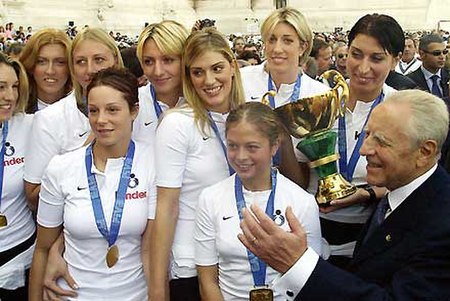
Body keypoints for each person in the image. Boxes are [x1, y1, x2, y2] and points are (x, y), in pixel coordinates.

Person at [239, 89, 450, 300]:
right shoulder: (401, 191)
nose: (364, 150)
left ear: (425, 152)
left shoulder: (442, 224)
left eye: (382, 142)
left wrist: (297, 263)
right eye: (367, 135)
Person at [29, 68, 156, 301]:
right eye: (94, 111)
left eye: (113, 110)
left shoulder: (153, 163)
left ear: (134, 111)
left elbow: (151, 251)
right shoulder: (61, 167)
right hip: (70, 294)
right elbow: (43, 248)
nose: (101, 120)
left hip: (135, 295)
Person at [297, 13, 403, 269]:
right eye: (356, 54)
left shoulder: (402, 108)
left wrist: (364, 194)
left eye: (377, 58)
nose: (363, 68)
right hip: (312, 232)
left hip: (373, 236)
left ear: (395, 60)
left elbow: (409, 184)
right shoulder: (319, 101)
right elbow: (298, 179)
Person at [149, 28, 245, 301]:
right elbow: (166, 206)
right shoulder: (178, 123)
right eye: (198, 72)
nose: (209, 80)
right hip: (191, 263)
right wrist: (158, 289)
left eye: (217, 68)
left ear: (232, 67)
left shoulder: (247, 118)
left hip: (240, 263)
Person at [194, 102, 322, 300]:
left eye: (252, 147)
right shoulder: (210, 198)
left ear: (274, 146)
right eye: (233, 146)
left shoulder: (302, 202)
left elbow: (311, 281)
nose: (241, 156)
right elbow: (207, 279)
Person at [24, 27, 124, 212]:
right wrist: (83, 153)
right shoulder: (49, 118)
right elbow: (32, 196)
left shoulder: (139, 109)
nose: (90, 70)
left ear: (116, 60)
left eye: (99, 60)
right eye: (80, 62)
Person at [239, 7, 330, 188]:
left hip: (295, 191)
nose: (277, 48)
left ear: (302, 47)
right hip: (243, 187)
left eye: (287, 41)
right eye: (271, 40)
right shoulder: (241, 79)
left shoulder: (319, 94)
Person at [0, 53, 33, 301]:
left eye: (14, 87)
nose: (10, 96)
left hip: (20, 251)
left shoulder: (27, 125)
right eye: (0, 87)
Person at [133, 20, 189, 145]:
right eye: (148, 61)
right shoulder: (130, 102)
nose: (158, 72)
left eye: (168, 60)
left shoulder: (206, 101)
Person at [19, 28, 72, 113]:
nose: (50, 71)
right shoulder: (15, 110)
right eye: (41, 62)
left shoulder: (84, 112)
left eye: (60, 62)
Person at [407, 34, 449, 100]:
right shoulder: (409, 82)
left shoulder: (448, 76)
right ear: (422, 54)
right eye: (436, 53)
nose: (442, 57)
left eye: (444, 52)